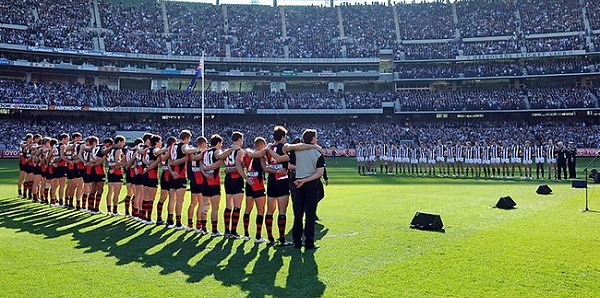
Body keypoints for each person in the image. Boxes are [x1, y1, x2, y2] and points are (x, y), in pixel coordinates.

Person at [287, 129, 325, 250]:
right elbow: (319, 173)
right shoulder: (317, 152)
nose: (317, 139)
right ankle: (309, 242)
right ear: (313, 139)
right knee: (310, 214)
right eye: (316, 137)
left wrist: (302, 180)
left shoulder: (295, 151)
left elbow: (285, 149)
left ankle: (297, 242)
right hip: (312, 184)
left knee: (298, 215)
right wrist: (306, 180)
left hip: (297, 182)